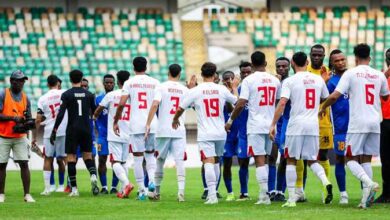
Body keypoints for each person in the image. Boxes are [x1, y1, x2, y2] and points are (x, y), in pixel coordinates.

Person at [320, 44, 389, 208]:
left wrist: (322, 107)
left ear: (355, 58)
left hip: (357, 122)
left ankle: (369, 183)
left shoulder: (350, 74)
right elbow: (386, 97)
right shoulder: (379, 74)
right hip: (375, 122)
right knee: (366, 159)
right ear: (370, 57)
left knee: (350, 159)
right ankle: (366, 201)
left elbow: (335, 96)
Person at [270, 52, 333, 208]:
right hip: (313, 124)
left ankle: (291, 198)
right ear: (307, 62)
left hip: (296, 124)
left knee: (290, 159)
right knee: (312, 159)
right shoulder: (318, 79)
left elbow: (283, 102)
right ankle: (326, 182)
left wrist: (273, 124)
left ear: (292, 63)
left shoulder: (290, 81)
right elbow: (325, 98)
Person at [173, 62, 238, 204]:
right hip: (221, 132)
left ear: (202, 74)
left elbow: (180, 108)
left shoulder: (196, 90)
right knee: (216, 162)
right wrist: (234, 89)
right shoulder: (221, 89)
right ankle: (213, 193)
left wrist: (175, 119)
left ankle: (212, 196)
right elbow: (237, 103)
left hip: (205, 133)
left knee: (208, 162)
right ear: (215, 74)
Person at [226, 51, 281, 205]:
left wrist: (230, 120)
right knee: (268, 159)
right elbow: (278, 103)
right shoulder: (275, 80)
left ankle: (264, 197)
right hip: (270, 125)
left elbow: (241, 103)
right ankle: (267, 194)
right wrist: (274, 122)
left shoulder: (248, 81)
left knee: (259, 160)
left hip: (255, 125)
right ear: (265, 63)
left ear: (252, 63)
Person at [114, 57, 159, 200]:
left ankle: (141, 191)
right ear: (146, 67)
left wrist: (116, 121)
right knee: (150, 155)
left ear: (133, 67)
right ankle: (151, 181)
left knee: (138, 159)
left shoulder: (129, 83)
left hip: (136, 124)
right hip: (152, 124)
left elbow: (121, 104)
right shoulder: (155, 82)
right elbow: (156, 104)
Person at [50, 69, 99, 197]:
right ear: (82, 78)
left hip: (72, 129)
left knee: (71, 158)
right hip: (86, 128)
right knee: (88, 156)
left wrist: (55, 129)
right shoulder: (89, 94)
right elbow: (95, 112)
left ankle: (75, 190)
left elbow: (60, 114)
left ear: (70, 79)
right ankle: (93, 175)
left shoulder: (66, 94)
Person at [145, 64, 188, 202]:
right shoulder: (184, 89)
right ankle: (181, 192)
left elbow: (155, 104)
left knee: (160, 160)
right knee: (179, 161)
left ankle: (156, 192)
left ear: (168, 72)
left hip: (163, 129)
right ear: (179, 74)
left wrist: (148, 124)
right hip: (179, 129)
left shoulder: (161, 86)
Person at [94, 70, 134, 199]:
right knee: (123, 162)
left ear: (117, 82)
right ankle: (122, 190)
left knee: (115, 162)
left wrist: (94, 116)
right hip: (128, 133)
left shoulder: (111, 95)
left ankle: (126, 184)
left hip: (114, 133)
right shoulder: (133, 95)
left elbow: (98, 111)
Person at [0, 70, 35, 202]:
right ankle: (1, 194)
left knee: (24, 164)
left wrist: (28, 123)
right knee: (1, 165)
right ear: (12, 81)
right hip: (3, 135)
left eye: (23, 81)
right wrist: (13, 118)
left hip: (19, 136)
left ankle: (27, 194)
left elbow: (28, 117)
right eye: (19, 80)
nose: (21, 83)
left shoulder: (26, 98)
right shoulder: (3, 94)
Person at [32, 75, 67, 196]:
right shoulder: (64, 93)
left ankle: (47, 189)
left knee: (48, 158)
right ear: (58, 83)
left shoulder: (43, 98)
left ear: (47, 84)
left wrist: (34, 137)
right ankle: (65, 186)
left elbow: (38, 119)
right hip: (63, 130)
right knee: (65, 158)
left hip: (49, 131)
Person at [308, 44, 333, 184]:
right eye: (314, 55)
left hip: (324, 121)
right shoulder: (305, 72)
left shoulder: (330, 73)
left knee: (323, 155)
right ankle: (300, 191)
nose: (316, 57)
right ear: (310, 55)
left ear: (324, 56)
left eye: (319, 55)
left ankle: (326, 188)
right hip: (307, 119)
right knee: (302, 156)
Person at [326, 49, 349, 204]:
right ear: (332, 64)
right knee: (340, 159)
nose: (341, 62)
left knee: (361, 159)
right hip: (340, 127)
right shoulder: (331, 82)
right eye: (337, 60)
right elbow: (324, 101)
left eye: (342, 59)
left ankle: (365, 192)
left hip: (357, 126)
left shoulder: (353, 77)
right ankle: (343, 194)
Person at [95, 74, 119, 194]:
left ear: (114, 84)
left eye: (111, 82)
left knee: (116, 161)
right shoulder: (98, 99)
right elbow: (94, 116)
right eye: (107, 82)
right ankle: (104, 187)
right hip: (103, 135)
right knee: (102, 159)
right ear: (103, 84)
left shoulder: (119, 97)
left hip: (116, 134)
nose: (109, 84)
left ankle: (114, 187)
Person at [273, 57, 290, 202]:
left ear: (290, 67)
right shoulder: (272, 83)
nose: (281, 69)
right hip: (274, 124)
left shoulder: (292, 82)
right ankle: (272, 190)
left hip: (287, 124)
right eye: (279, 66)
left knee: (285, 158)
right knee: (271, 159)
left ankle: (282, 190)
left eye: (284, 66)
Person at [235, 61, 252, 201]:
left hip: (257, 130)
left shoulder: (257, 86)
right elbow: (235, 105)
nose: (246, 74)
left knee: (263, 161)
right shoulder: (239, 89)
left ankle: (267, 191)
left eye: (248, 72)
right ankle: (244, 192)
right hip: (243, 133)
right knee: (243, 162)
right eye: (243, 72)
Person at [221, 71, 239, 201]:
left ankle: (244, 192)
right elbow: (230, 108)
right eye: (226, 79)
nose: (229, 80)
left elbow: (238, 106)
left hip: (239, 132)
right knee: (227, 164)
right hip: (226, 134)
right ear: (223, 81)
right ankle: (230, 192)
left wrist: (234, 89)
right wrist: (230, 91)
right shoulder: (220, 93)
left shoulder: (241, 91)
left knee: (243, 162)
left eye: (231, 78)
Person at [375, 48, 390, 203]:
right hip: (385, 122)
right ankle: (387, 194)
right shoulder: (381, 78)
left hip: (386, 122)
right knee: (385, 160)